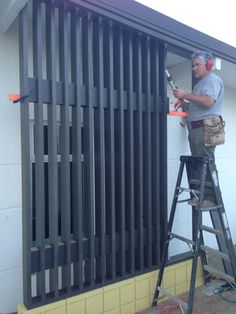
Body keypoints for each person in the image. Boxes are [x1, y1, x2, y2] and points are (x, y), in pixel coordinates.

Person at [173, 50, 225, 206]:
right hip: (197, 128)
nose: (194, 68)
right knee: (197, 162)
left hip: (206, 128)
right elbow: (197, 107)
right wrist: (185, 104)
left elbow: (209, 102)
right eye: (193, 65)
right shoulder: (200, 84)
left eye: (197, 65)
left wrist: (185, 94)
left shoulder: (212, 80)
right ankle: (199, 195)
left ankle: (210, 198)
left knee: (206, 162)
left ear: (209, 65)